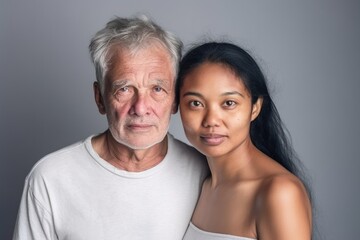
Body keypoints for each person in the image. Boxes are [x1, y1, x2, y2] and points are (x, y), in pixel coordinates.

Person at [13, 15, 208, 240]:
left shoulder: (204, 173)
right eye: (124, 89)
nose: (141, 108)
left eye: (157, 89)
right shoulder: (49, 178)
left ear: (175, 99)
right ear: (100, 98)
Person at [176, 42, 313, 240]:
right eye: (196, 104)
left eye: (229, 103)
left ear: (255, 108)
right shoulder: (200, 184)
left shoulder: (279, 193)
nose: (211, 121)